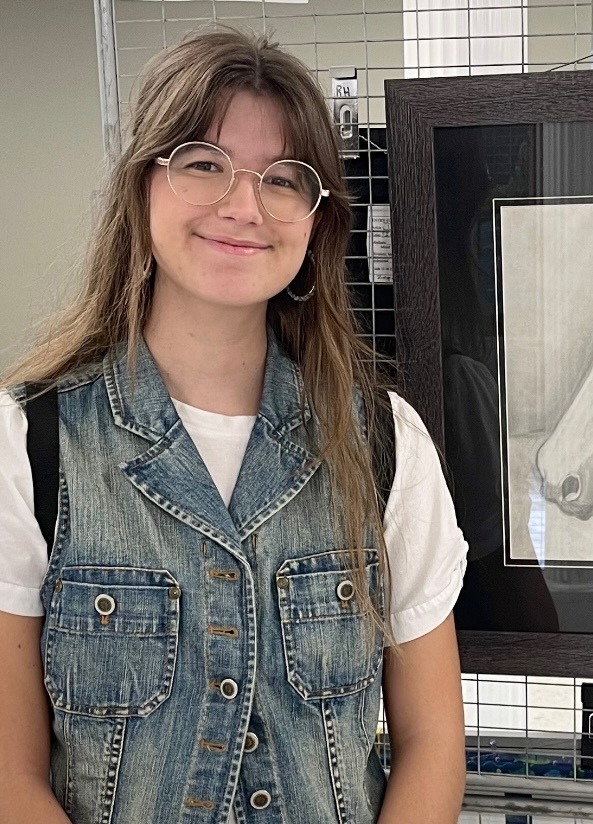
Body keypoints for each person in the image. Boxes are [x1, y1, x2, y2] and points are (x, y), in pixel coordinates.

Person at [0, 28, 468, 824]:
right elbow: (10, 777)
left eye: (284, 179)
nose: (244, 206)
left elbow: (432, 746)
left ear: (318, 221)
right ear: (142, 185)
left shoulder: (384, 443)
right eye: (203, 163)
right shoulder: (29, 446)